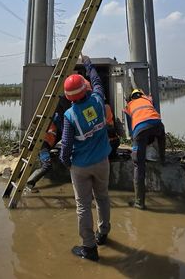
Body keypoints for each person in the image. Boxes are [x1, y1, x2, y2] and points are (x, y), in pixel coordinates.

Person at [59, 55, 111, 262]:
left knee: (83, 205)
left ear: (68, 97)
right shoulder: (98, 101)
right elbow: (97, 81)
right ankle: (103, 233)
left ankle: (89, 248)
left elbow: (66, 146)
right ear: (85, 89)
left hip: (80, 166)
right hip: (102, 163)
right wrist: (88, 64)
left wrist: (67, 163)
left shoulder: (70, 116)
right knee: (103, 197)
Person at [123, 88, 166, 210]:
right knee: (161, 137)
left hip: (140, 129)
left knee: (138, 165)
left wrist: (137, 146)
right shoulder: (148, 99)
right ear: (141, 95)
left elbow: (132, 131)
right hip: (158, 124)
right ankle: (162, 159)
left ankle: (139, 202)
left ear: (131, 97)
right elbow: (151, 116)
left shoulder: (129, 105)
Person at [26, 95, 68, 190]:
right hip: (42, 144)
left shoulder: (58, 121)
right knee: (47, 165)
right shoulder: (52, 121)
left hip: (45, 143)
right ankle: (29, 183)